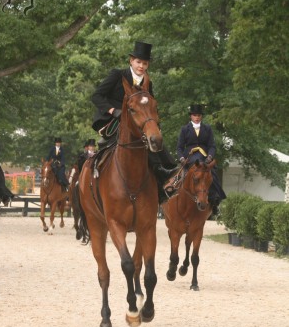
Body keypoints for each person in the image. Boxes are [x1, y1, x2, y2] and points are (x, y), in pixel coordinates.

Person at [91, 41, 178, 203]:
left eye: (145, 63)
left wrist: (154, 125)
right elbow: (96, 96)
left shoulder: (147, 82)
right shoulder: (118, 75)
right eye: (138, 62)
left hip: (138, 121)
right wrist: (113, 110)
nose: (141, 66)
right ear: (131, 60)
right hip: (113, 119)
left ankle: (163, 172)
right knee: (121, 139)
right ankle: (95, 170)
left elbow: (149, 106)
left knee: (154, 137)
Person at [176, 104, 226, 214]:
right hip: (189, 158)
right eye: (194, 115)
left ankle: (215, 200)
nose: (197, 117)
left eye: (198, 115)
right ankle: (170, 196)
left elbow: (212, 146)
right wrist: (181, 158)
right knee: (176, 177)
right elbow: (179, 147)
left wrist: (210, 157)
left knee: (213, 174)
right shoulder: (184, 129)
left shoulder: (207, 129)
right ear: (191, 116)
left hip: (204, 157)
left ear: (201, 116)